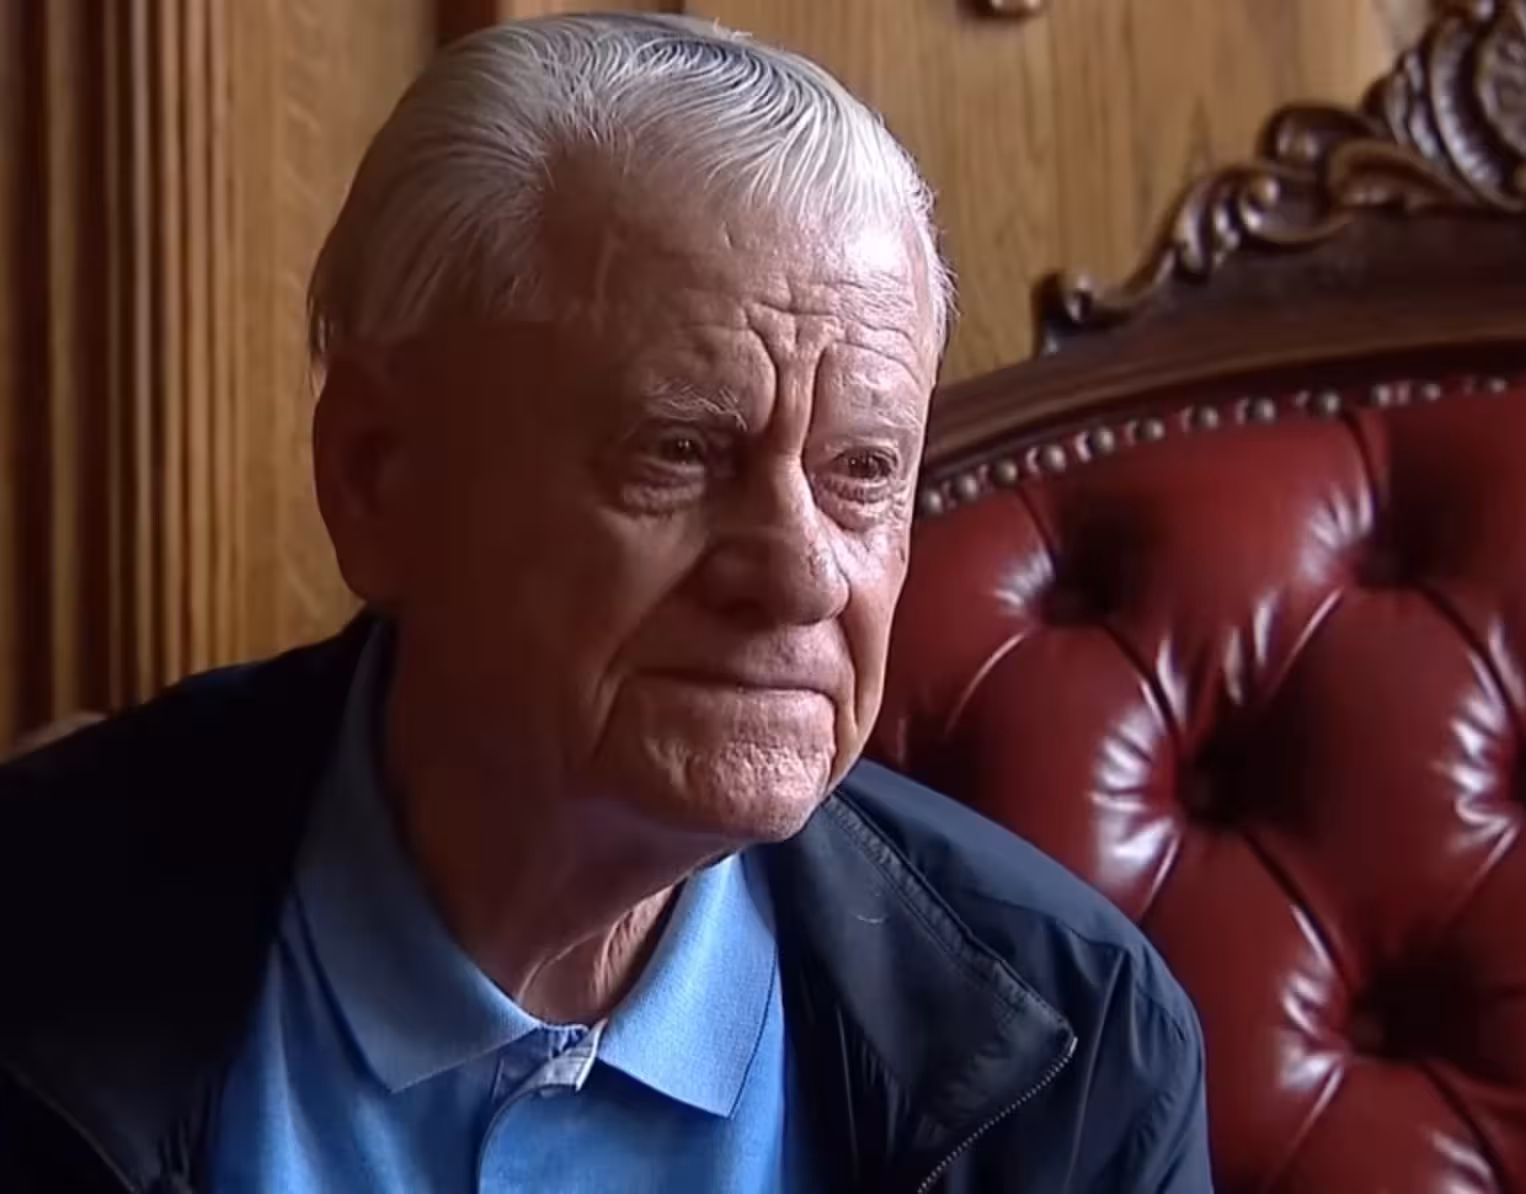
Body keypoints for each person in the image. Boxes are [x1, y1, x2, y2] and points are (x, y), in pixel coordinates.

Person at [0, 14, 1209, 1193]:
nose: (801, 575)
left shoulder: (1082, 1048)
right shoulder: (33, 932)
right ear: (379, 476)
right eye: (679, 450)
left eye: (862, 473)